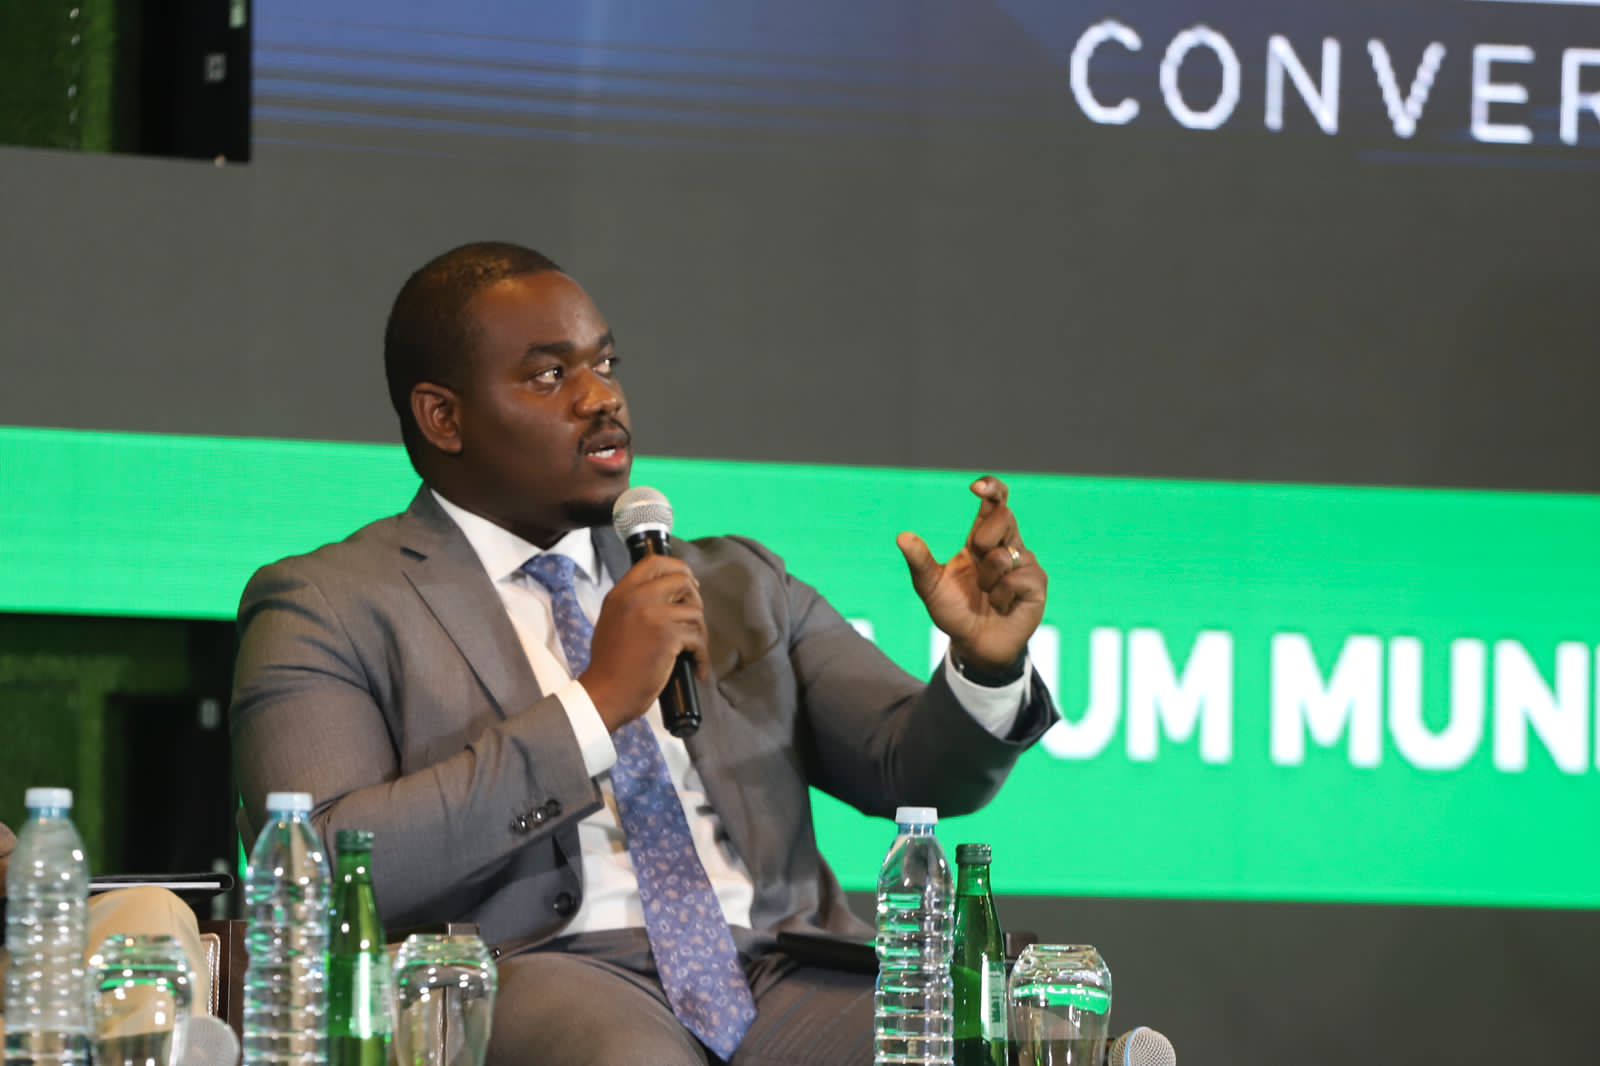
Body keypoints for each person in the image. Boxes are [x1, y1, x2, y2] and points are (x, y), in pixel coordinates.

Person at [229, 242, 1058, 1066]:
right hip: (539, 974)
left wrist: (985, 668)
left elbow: (912, 769)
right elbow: (318, 869)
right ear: (443, 417)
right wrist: (596, 705)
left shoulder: (737, 582)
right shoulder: (327, 603)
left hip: (782, 975)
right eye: (549, 376)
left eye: (604, 363)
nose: (602, 398)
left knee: (975, 1048)